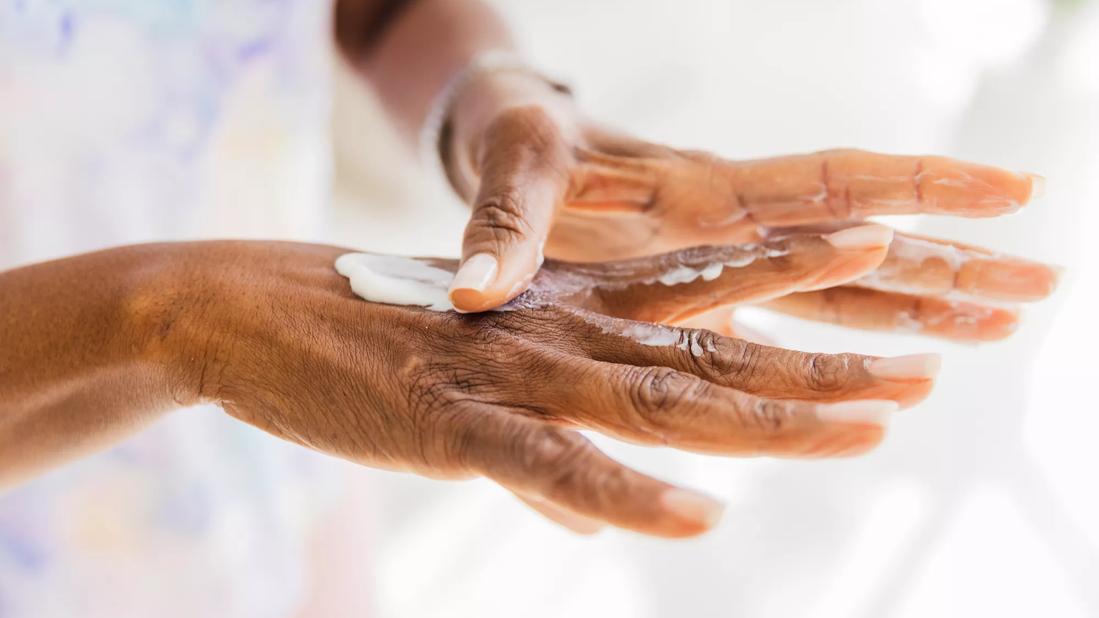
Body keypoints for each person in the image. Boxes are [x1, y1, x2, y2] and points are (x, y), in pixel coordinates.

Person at [0, 0, 1057, 614]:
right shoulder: (199, 330)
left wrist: (495, 103)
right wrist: (173, 323)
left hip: (266, 482)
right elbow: (190, 321)